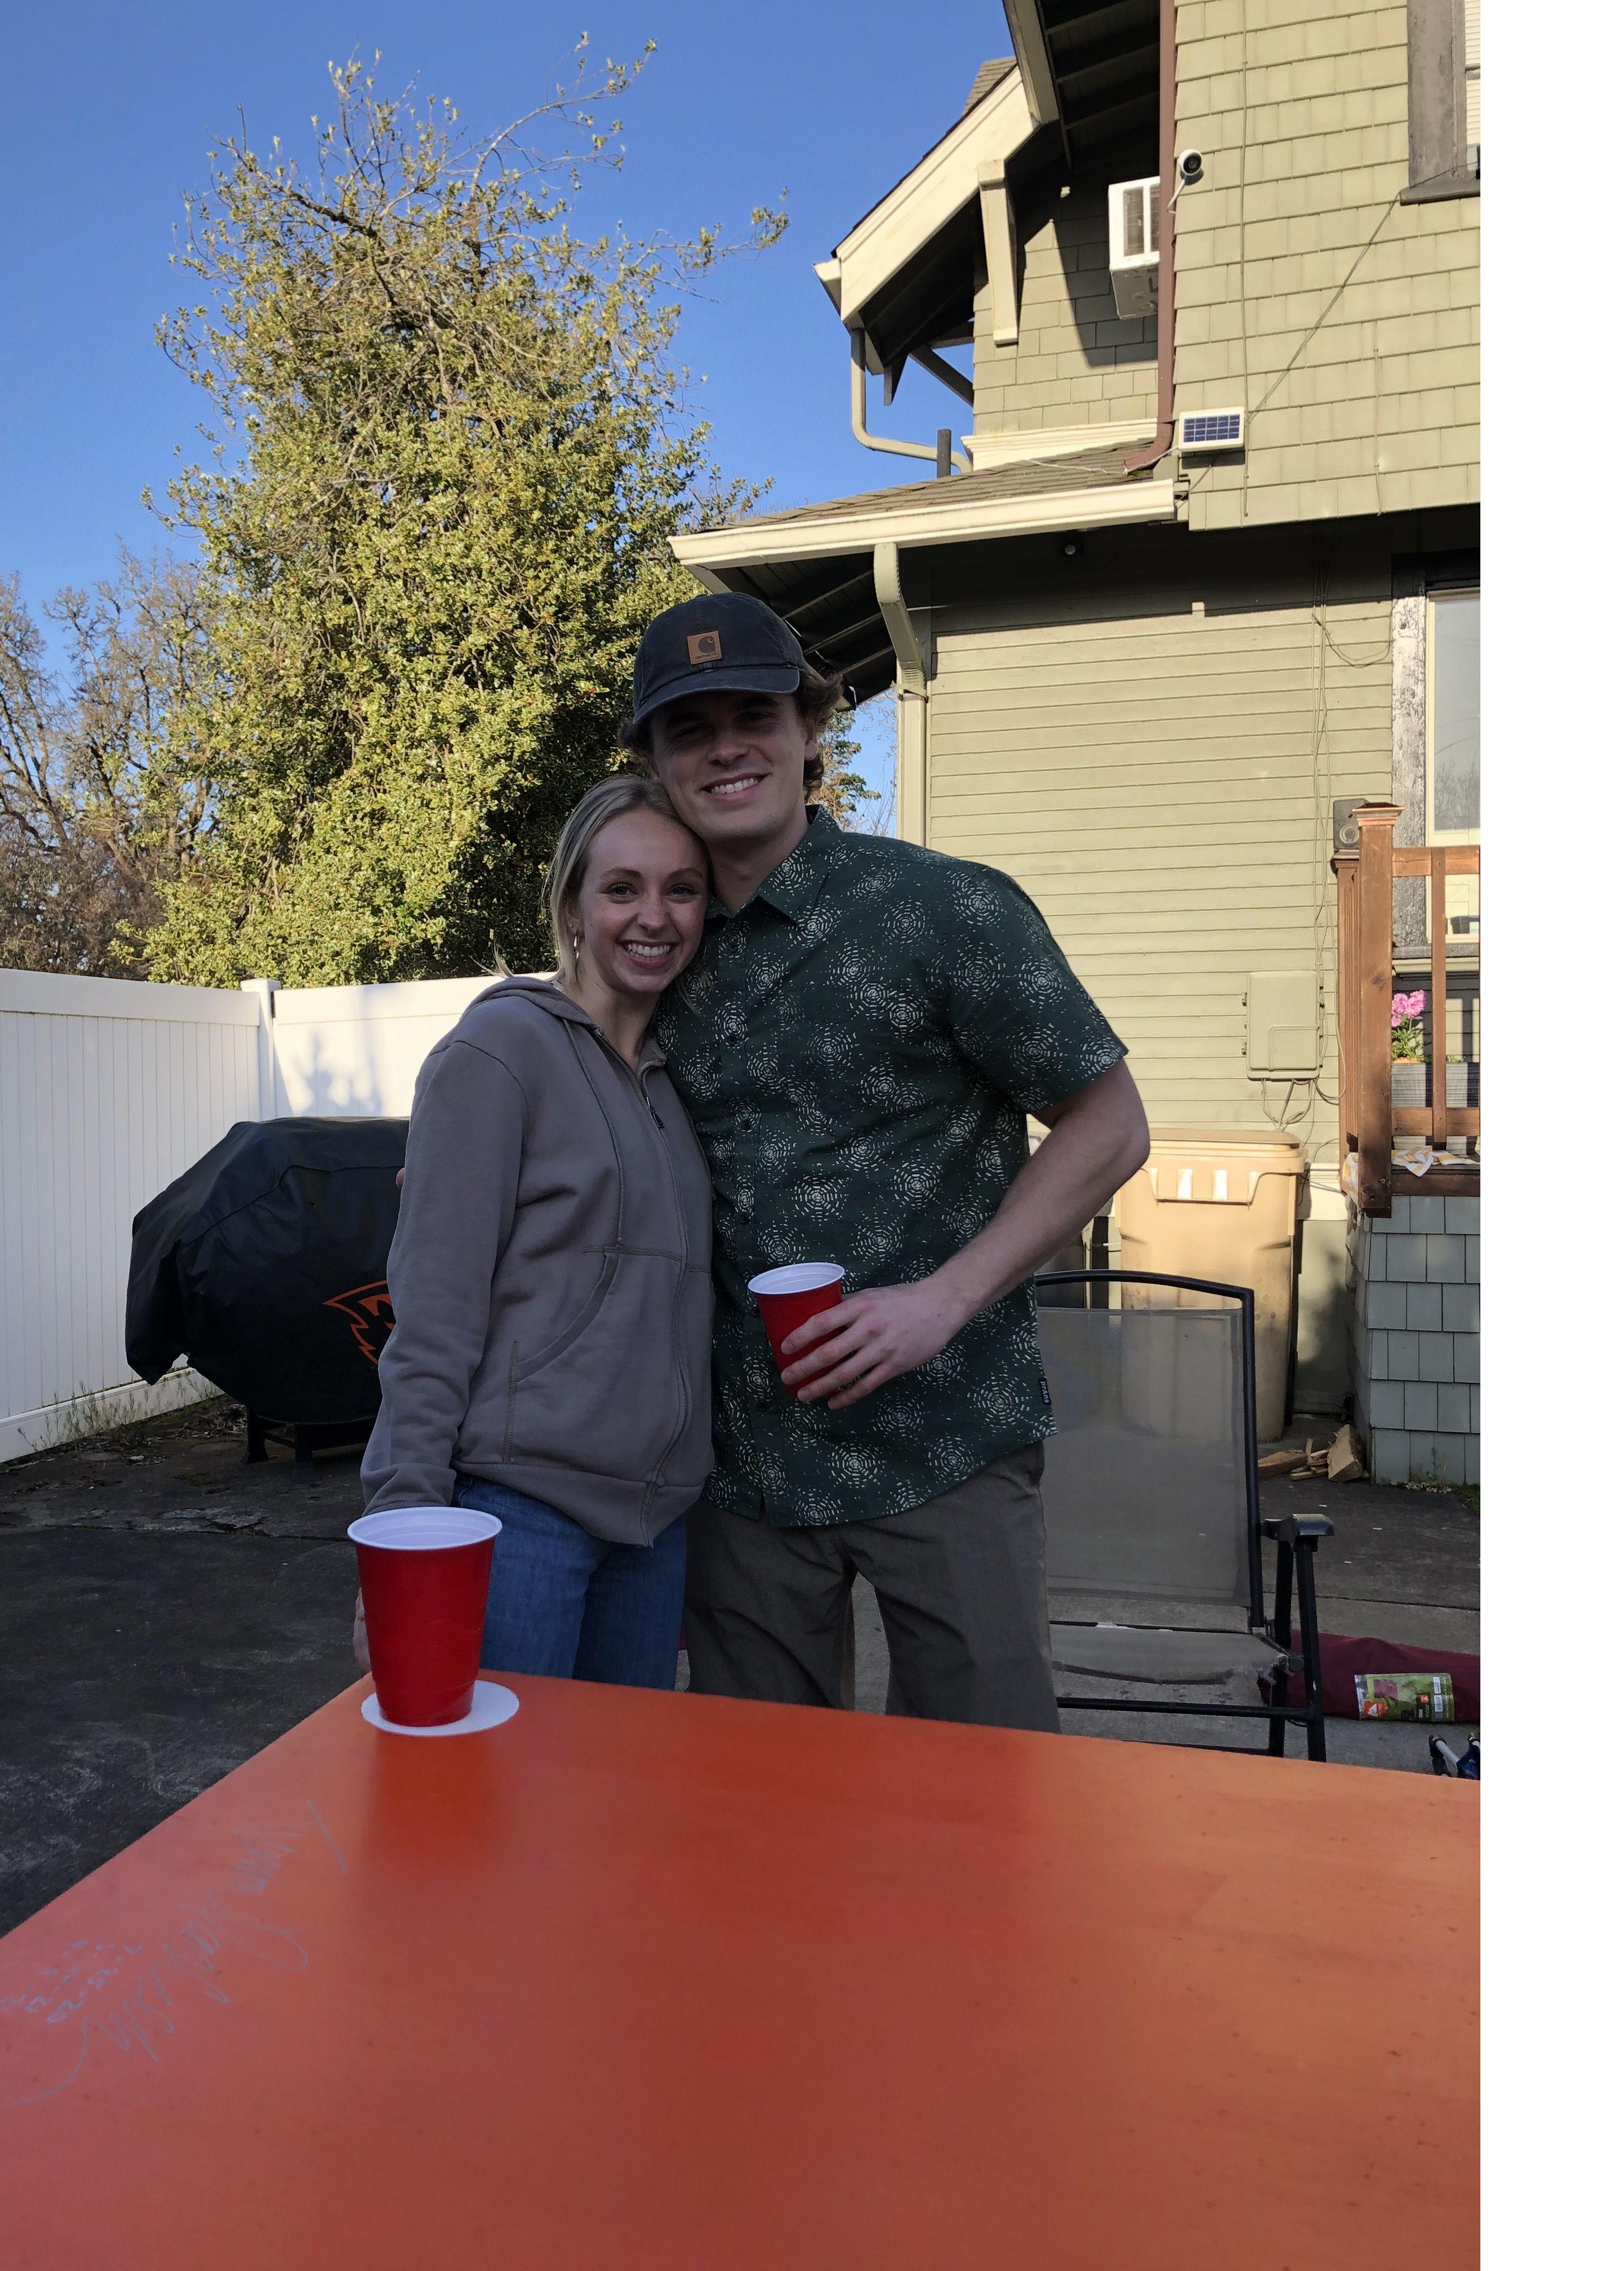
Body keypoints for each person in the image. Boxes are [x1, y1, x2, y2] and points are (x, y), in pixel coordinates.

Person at [629, 589, 1151, 1730]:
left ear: (810, 730)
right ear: (656, 765)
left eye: (753, 715)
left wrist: (943, 1300)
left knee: (985, 1803)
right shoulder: (651, 946)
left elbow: (1110, 1124)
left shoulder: (945, 910)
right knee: (767, 1816)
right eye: (689, 727)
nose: (726, 746)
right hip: (745, 1467)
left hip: (948, 1437)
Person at [357, 775, 715, 1688]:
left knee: (617, 1817)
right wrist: (404, 1529)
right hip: (518, 1517)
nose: (655, 917)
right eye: (622, 888)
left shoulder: (678, 1088)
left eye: (682, 890)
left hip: (652, 1531)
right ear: (570, 905)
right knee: (497, 1815)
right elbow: (432, 1311)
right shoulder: (499, 1053)